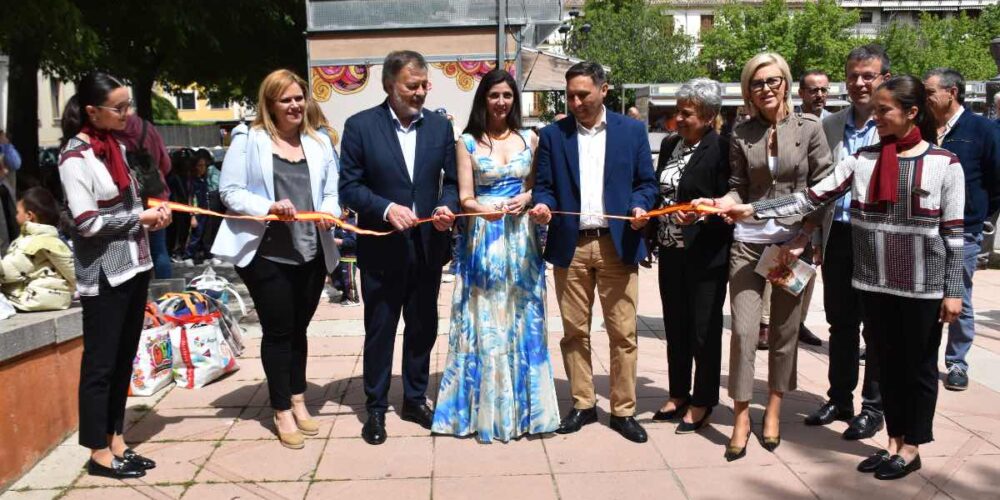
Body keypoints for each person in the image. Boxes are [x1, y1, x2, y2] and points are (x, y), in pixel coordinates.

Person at [723, 75, 964, 481]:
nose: (876, 116)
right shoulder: (862, 160)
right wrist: (754, 210)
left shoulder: (944, 164)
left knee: (918, 368)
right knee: (886, 365)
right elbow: (810, 197)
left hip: (922, 286)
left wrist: (953, 291)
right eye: (876, 109)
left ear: (912, 113)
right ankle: (894, 443)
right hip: (873, 283)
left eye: (885, 110)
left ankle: (912, 447)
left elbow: (954, 234)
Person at [697, 53, 832, 461]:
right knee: (743, 331)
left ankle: (773, 409)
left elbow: (824, 187)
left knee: (784, 332)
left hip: (791, 245)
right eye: (757, 83)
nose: (766, 88)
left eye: (773, 80)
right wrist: (723, 202)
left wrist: (806, 234)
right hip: (747, 243)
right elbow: (738, 186)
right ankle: (741, 416)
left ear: (786, 83)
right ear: (748, 91)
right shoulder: (742, 132)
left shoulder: (810, 128)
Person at [211, 69, 342, 450]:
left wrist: (330, 212)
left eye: (299, 98)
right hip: (266, 254)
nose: (295, 105)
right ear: (270, 104)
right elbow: (230, 192)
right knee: (279, 330)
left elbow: (331, 192)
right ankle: (281, 408)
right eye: (286, 100)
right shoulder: (248, 139)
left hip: (311, 252)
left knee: (300, 329)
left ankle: (298, 398)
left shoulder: (319, 142)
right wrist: (267, 206)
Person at [529, 61, 657, 443]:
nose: (576, 102)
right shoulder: (553, 136)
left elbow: (646, 184)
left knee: (623, 332)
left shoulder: (631, 131)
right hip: (570, 245)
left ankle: (623, 410)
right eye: (570, 96)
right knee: (574, 331)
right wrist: (543, 205)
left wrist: (639, 206)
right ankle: (583, 403)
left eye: (583, 94)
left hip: (618, 244)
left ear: (604, 90)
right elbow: (544, 186)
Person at [432, 69, 560, 443]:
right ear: (483, 100)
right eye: (494, 95)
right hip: (484, 237)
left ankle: (527, 412)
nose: (501, 102)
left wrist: (528, 197)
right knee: (485, 319)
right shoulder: (467, 142)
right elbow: (465, 196)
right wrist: (481, 209)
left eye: (507, 95)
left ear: (514, 99)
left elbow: (538, 187)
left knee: (522, 319)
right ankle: (482, 411)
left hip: (521, 239)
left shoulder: (530, 138)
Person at [338, 50, 459, 445]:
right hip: (382, 251)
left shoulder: (439, 127)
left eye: (424, 85)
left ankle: (414, 399)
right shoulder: (360, 126)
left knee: (423, 327)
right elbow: (350, 187)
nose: (421, 92)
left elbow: (453, 182)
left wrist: (446, 207)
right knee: (380, 330)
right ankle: (375, 407)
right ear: (390, 85)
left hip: (427, 247)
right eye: (412, 86)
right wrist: (387, 209)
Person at [59, 72, 171, 479]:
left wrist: (154, 215)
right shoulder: (74, 158)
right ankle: (98, 451)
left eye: (128, 106)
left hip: (135, 266)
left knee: (124, 359)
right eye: (119, 108)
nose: (127, 114)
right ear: (92, 111)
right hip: (104, 275)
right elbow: (87, 223)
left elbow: (132, 201)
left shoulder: (117, 148)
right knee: (101, 365)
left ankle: (116, 439)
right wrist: (138, 219)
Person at [805, 45, 891, 441]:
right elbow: (819, 185)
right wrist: (816, 237)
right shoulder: (831, 124)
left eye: (867, 75)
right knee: (840, 323)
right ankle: (839, 399)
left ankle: (874, 407)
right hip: (838, 235)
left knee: (876, 327)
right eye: (853, 75)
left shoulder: (895, 124)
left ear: (884, 78)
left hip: (879, 238)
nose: (858, 83)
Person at [647, 79, 732, 434]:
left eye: (687, 113)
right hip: (671, 250)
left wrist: (701, 215)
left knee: (703, 330)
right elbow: (660, 190)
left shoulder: (723, 148)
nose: (678, 119)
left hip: (706, 252)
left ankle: (703, 399)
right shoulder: (671, 144)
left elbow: (729, 202)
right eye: (677, 111)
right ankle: (678, 392)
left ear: (709, 116)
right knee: (676, 326)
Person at [924, 67, 1000, 391]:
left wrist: (979, 214)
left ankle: (957, 362)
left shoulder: (982, 129)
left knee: (959, 295)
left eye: (929, 92)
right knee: (923, 295)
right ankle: (921, 355)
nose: (925, 98)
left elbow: (996, 180)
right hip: (924, 227)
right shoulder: (923, 127)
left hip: (964, 231)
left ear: (951, 92)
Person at [113, 114, 173, 278]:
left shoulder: (110, 131)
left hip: (126, 199)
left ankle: (139, 290)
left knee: (130, 250)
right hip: (155, 197)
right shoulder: (147, 128)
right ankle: (164, 289)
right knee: (159, 249)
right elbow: (166, 164)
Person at [0, 187, 76, 311]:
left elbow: (9, 272)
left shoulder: (31, 243)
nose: (15, 215)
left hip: (35, 297)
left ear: (29, 215)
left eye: (17, 212)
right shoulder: (52, 239)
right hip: (56, 296)